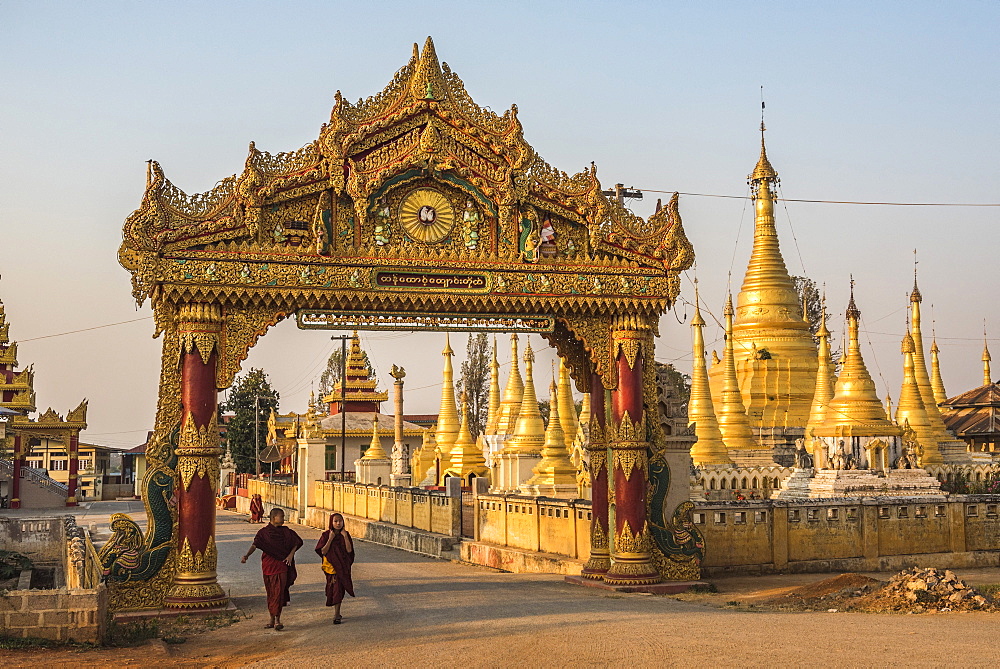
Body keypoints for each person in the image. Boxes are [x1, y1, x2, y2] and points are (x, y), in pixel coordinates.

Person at [241, 508, 303, 630]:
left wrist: (290, 555)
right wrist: (247, 556)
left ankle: (278, 620)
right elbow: (255, 545)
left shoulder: (286, 532)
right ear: (274, 517)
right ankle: (271, 619)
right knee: (271, 593)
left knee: (279, 593)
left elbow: (297, 542)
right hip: (268, 566)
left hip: (281, 565)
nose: (283, 518)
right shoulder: (264, 533)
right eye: (281, 516)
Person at [315, 512, 355, 624]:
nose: (338, 523)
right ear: (331, 523)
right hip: (331, 568)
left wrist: (345, 536)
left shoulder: (345, 535)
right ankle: (337, 613)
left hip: (342, 567)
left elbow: (349, 551)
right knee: (333, 589)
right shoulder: (326, 535)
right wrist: (331, 538)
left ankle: (337, 614)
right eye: (336, 521)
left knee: (339, 589)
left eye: (340, 521)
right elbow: (323, 551)